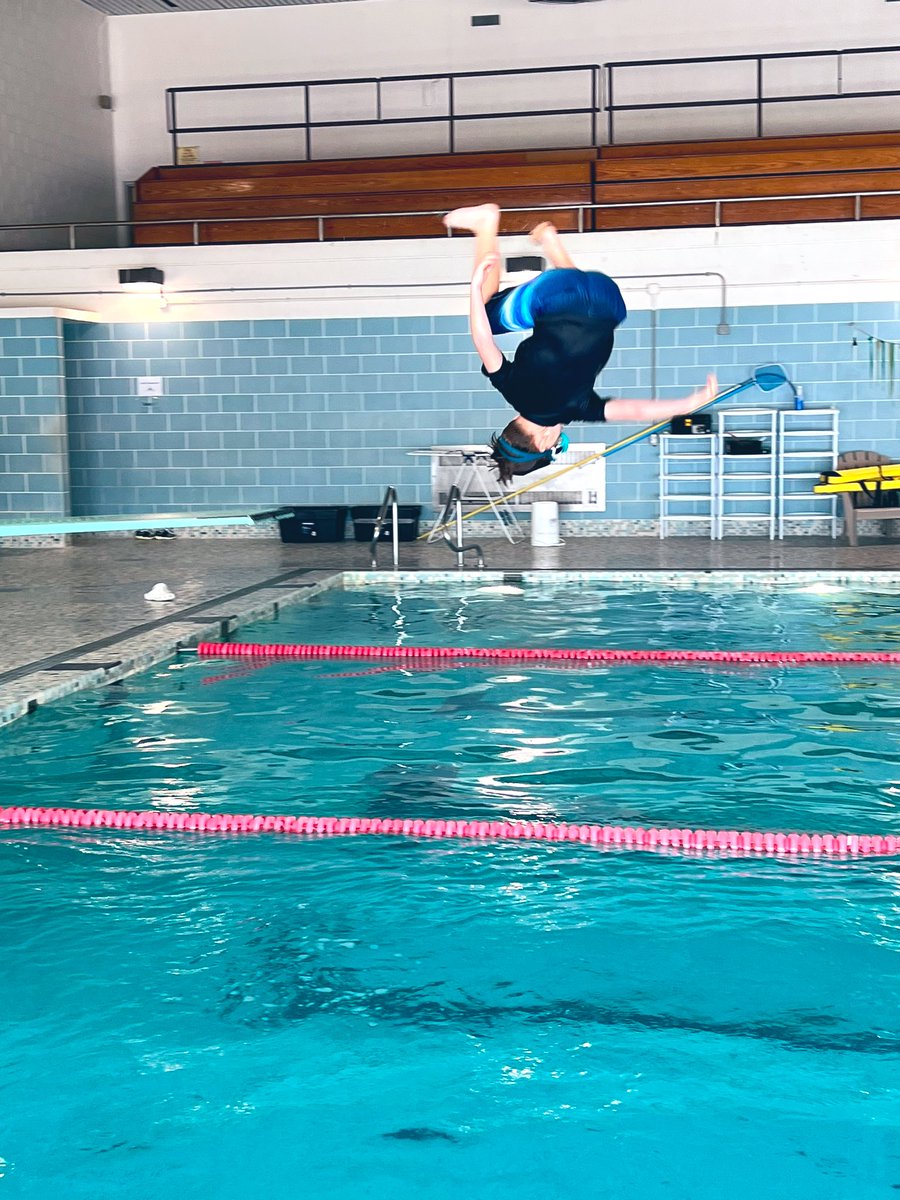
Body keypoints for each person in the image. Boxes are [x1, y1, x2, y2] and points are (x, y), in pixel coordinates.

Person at [443, 203, 718, 483]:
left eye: (553, 448)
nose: (558, 442)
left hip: (608, 299)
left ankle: (533, 235)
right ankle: (489, 225)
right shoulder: (511, 388)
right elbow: (481, 338)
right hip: (555, 293)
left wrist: (687, 404)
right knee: (486, 316)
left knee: (573, 309)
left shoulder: (579, 407)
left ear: (542, 443)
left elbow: (637, 411)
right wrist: (475, 287)